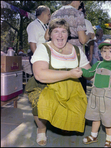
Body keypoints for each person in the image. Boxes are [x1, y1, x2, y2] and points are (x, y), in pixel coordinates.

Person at [25, 18, 91, 146]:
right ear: (50, 34)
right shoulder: (43, 48)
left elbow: (89, 73)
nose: (60, 35)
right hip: (46, 86)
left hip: (71, 88)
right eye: (56, 31)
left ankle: (63, 122)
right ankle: (41, 129)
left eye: (63, 31)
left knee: (80, 109)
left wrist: (106, 75)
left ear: (68, 34)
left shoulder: (77, 51)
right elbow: (39, 74)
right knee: (43, 102)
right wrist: (69, 74)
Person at [81, 39, 111, 147]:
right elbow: (88, 72)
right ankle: (93, 136)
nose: (107, 54)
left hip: (108, 98)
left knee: (108, 120)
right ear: (100, 53)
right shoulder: (98, 64)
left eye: (110, 51)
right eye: (104, 51)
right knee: (95, 118)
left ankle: (109, 140)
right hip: (95, 96)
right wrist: (80, 70)